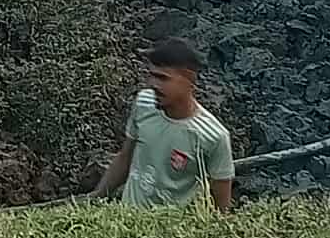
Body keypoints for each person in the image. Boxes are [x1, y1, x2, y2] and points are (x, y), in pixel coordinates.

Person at [91, 39, 235, 211]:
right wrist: (95, 197)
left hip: (169, 231)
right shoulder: (144, 103)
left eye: (162, 78)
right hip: (126, 222)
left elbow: (221, 206)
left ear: (189, 80)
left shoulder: (212, 136)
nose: (153, 84)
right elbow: (125, 157)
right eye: (151, 75)